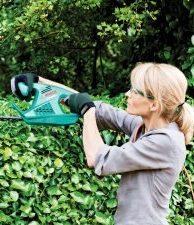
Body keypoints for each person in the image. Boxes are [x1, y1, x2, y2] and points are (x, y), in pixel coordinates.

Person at [10, 62, 194, 225]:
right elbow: (98, 109)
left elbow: (98, 158)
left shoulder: (165, 141)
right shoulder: (146, 127)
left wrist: (87, 111)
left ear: (154, 105)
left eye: (134, 91)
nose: (127, 93)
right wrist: (40, 82)